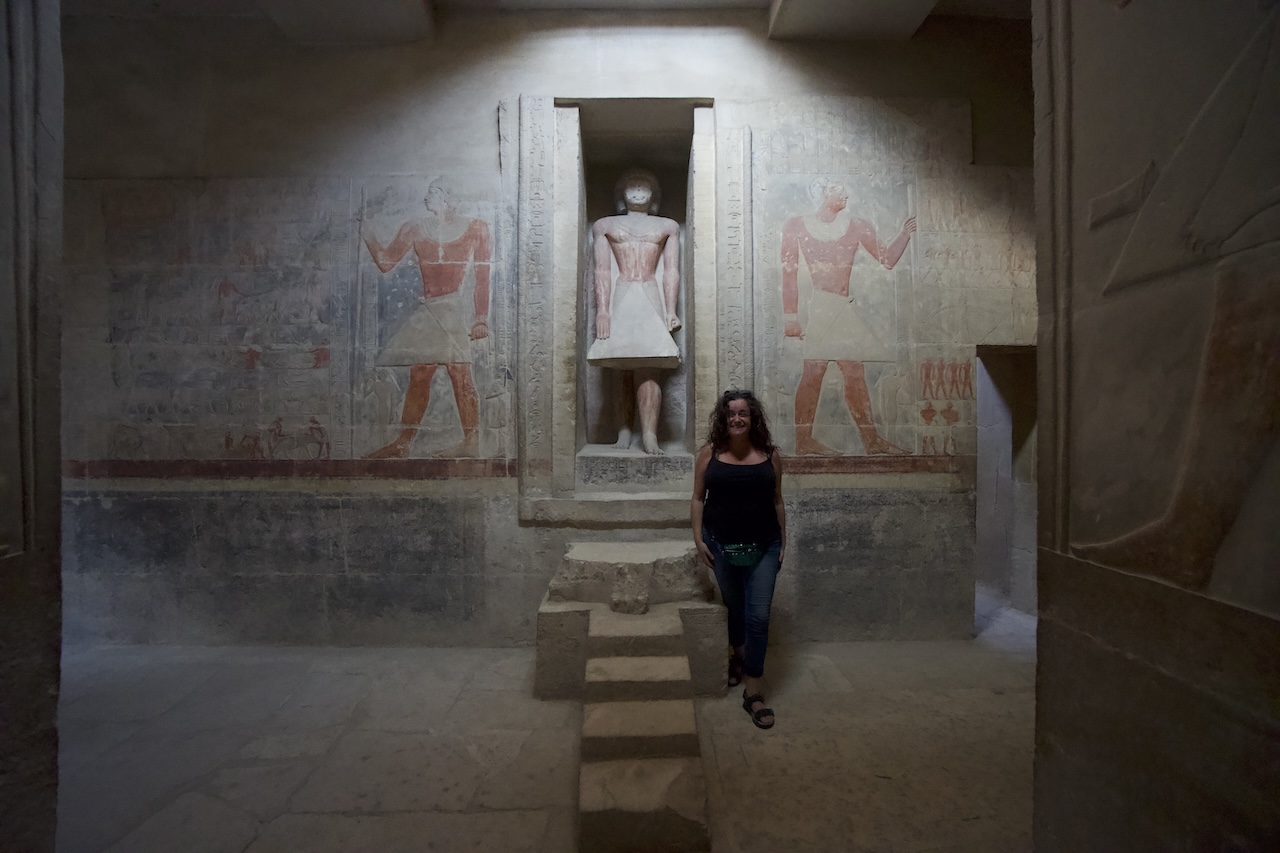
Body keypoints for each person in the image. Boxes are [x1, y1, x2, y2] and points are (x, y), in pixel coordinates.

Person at [782, 177, 915, 455]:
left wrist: (904, 234)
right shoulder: (796, 226)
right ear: (824, 193)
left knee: (854, 373)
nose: (846, 197)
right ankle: (805, 441)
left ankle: (871, 441)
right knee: (814, 372)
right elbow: (788, 273)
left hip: (842, 307)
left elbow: (887, 259)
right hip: (821, 306)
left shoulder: (857, 225)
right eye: (840, 192)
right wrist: (790, 317)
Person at [362, 180, 491, 458]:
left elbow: (483, 275)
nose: (426, 198)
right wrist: (366, 231)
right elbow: (385, 262)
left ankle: (471, 442)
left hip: (453, 307)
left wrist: (481, 318)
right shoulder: (414, 228)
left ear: (446, 197)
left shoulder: (476, 228)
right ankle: (403, 443)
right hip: (430, 309)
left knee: (460, 374)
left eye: (432, 193)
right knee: (419, 374)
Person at [691, 390, 786, 730]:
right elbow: (698, 498)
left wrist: (783, 539)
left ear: (752, 417)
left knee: (758, 616)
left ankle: (754, 690)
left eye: (743, 413)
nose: (737, 418)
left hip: (765, 545)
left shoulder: (771, 455)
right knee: (734, 608)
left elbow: (777, 500)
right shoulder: (709, 454)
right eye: (731, 414)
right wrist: (698, 537)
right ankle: (738, 656)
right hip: (721, 546)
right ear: (723, 418)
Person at [586, 169, 681, 455]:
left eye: (644, 187)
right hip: (622, 292)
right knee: (619, 367)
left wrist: (671, 311)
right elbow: (601, 270)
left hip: (651, 293)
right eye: (632, 187)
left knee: (649, 366)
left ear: (654, 195)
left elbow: (672, 271)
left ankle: (650, 435)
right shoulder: (605, 224)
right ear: (621, 194)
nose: (638, 192)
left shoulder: (667, 226)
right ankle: (624, 432)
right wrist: (602, 312)